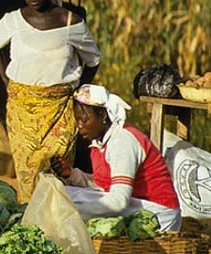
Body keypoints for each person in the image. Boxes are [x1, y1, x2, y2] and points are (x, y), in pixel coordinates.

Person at [0, 0, 100, 200]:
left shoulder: (71, 22)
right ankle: (32, 231)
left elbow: (93, 60)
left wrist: (77, 91)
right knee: (28, 176)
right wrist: (7, 82)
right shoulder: (13, 21)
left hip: (59, 111)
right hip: (21, 111)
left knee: (57, 176)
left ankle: (56, 231)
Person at [50, 84, 181, 231]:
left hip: (157, 213)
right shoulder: (100, 143)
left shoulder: (122, 142)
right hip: (136, 203)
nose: (79, 126)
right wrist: (72, 175)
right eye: (77, 121)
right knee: (64, 193)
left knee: (68, 201)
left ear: (103, 116)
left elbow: (118, 201)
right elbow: (106, 184)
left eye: (84, 120)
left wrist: (73, 211)